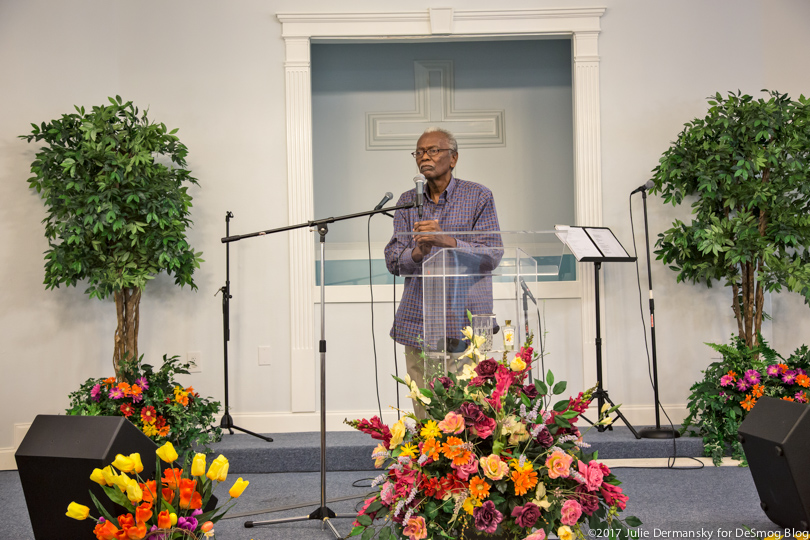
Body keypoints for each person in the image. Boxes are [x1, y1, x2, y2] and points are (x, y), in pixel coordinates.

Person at [384, 127, 502, 418]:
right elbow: (394, 262)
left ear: (453, 158)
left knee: (473, 413)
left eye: (433, 150)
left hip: (467, 319)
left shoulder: (478, 196)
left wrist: (446, 240)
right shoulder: (407, 201)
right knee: (426, 413)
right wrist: (418, 253)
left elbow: (491, 255)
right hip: (419, 320)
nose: (425, 156)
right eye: (419, 152)